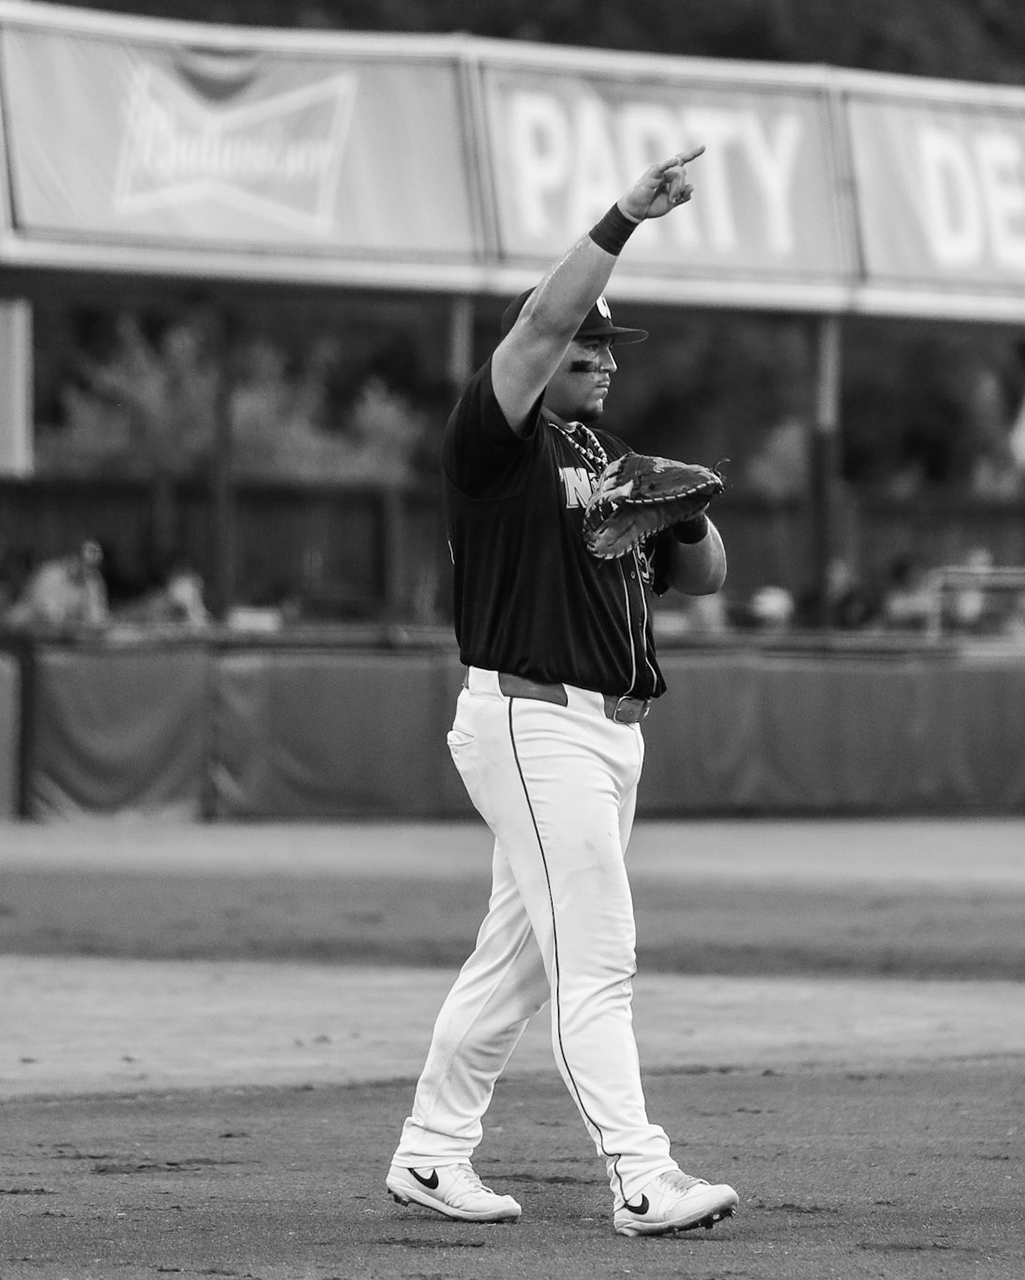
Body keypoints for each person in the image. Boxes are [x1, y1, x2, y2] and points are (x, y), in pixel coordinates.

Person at [385, 147, 739, 1238]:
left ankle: (432, 1153)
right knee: (598, 955)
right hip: (532, 715)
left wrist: (679, 508)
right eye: (587, 341)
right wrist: (627, 214)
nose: (601, 356)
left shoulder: (604, 448)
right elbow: (542, 323)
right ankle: (642, 1175)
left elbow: (707, 575)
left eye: (611, 345)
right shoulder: (493, 440)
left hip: (608, 731)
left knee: (519, 960)